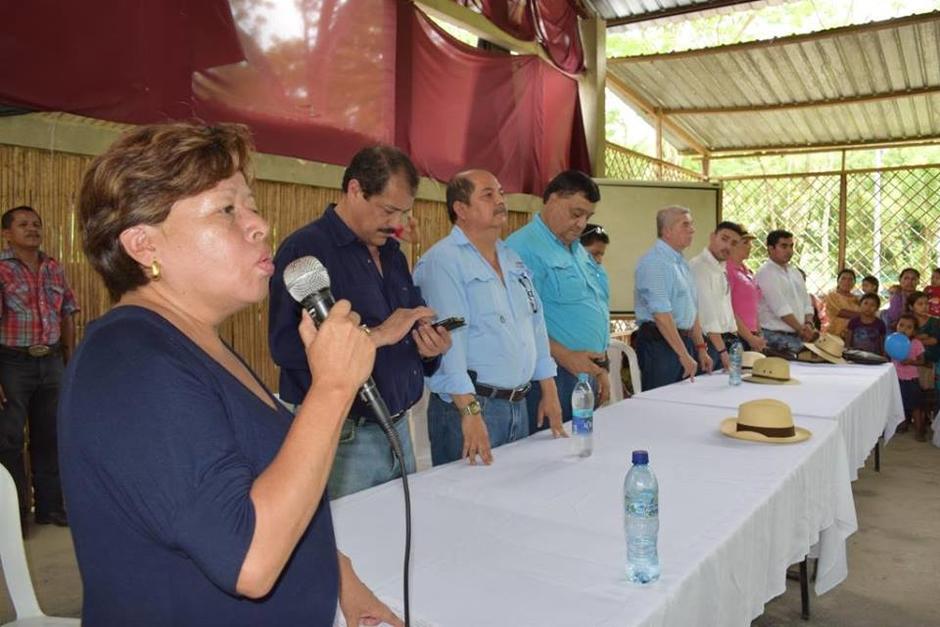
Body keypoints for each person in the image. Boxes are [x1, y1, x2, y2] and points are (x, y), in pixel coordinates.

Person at [60, 122, 402, 626]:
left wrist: (343, 579)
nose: (259, 224)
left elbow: (259, 485)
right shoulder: (131, 364)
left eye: (250, 204)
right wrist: (332, 388)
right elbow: (249, 560)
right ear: (142, 245)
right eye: (226, 210)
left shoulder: (194, 342)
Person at [269, 146, 451, 498]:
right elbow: (286, 347)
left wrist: (430, 348)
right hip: (344, 438)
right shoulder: (305, 251)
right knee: (346, 545)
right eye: (388, 210)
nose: (397, 223)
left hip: (399, 428)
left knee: (397, 542)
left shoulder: (391, 253)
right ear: (355, 190)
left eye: (403, 212)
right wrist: (378, 335)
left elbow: (408, 323)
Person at [413, 169, 563, 466]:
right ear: (461, 209)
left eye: (501, 193)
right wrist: (470, 414)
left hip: (518, 405)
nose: (500, 201)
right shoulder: (443, 261)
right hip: (471, 409)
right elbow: (450, 345)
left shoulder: (511, 258)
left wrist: (549, 389)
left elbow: (535, 321)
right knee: (468, 506)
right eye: (488, 195)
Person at [506, 171, 609, 433]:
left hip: (586, 371)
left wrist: (600, 369)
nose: (581, 224)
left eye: (587, 217)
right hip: (554, 374)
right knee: (551, 461)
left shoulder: (576, 249)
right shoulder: (522, 248)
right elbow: (521, 323)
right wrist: (567, 357)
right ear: (551, 199)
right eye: (576, 213)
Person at [1, 205, 78, 532]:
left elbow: (68, 312)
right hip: (11, 362)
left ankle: (50, 508)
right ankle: (15, 514)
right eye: (23, 224)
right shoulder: (1, 269)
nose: (32, 229)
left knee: (50, 437)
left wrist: (69, 357)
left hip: (51, 361)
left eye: (36, 223)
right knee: (9, 440)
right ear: (7, 234)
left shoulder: (54, 267)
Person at [633, 206, 712, 390]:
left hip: (683, 342)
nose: (692, 229)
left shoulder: (681, 262)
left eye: (691, 224)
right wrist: (683, 355)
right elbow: (661, 316)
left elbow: (692, 310)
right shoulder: (654, 262)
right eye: (685, 225)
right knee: (661, 406)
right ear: (667, 231)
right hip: (661, 344)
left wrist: (700, 348)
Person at [689, 221, 743, 371]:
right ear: (713, 237)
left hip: (726, 342)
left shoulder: (721, 268)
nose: (728, 247)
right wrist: (722, 352)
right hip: (710, 345)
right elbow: (708, 316)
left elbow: (724, 311)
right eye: (724, 239)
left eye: (733, 243)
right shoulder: (699, 267)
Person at [755, 230, 817, 354]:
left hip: (799, 335)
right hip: (774, 337)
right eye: (784, 246)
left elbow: (807, 303)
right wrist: (802, 330)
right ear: (771, 249)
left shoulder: (795, 272)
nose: (789, 251)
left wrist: (809, 324)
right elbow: (780, 308)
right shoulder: (765, 272)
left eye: (791, 246)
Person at [726, 227, 767, 352]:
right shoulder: (727, 270)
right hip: (737, 336)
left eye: (750, 243)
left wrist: (759, 334)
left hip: (752, 335)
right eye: (745, 242)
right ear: (732, 245)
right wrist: (749, 338)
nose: (750, 246)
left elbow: (754, 306)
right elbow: (727, 308)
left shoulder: (746, 271)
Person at [892, 313, 926, 441]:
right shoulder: (893, 340)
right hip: (895, 378)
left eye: (909, 327)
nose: (903, 329)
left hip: (911, 380)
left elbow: (922, 361)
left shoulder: (916, 343)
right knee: (899, 403)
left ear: (914, 331)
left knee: (915, 406)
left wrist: (910, 361)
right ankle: (903, 425)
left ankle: (919, 430)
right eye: (901, 325)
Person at [823, 268, 860, 339]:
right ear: (838, 281)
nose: (847, 282)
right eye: (843, 278)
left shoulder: (857, 299)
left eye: (850, 279)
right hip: (834, 336)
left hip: (854, 336)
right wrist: (863, 315)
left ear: (854, 283)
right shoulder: (832, 296)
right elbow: (839, 312)